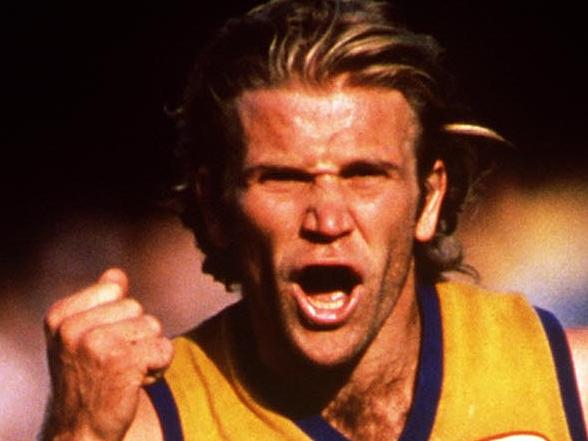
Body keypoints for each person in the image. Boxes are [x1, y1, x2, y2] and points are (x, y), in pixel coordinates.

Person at [41, 1, 588, 440]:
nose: (327, 219)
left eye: (363, 175)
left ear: (428, 198)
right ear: (214, 206)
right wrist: (78, 432)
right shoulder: (154, 422)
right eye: (283, 178)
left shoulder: (566, 383)